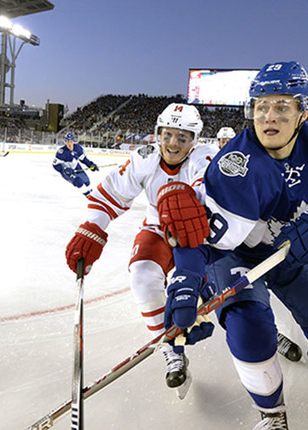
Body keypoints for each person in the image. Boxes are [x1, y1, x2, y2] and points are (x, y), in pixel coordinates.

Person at [158, 62, 308, 429]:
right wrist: (187, 280)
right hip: (237, 255)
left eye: (282, 107)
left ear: (303, 112)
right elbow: (204, 237)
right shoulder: (236, 165)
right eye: (261, 106)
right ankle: (272, 412)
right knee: (250, 331)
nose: (269, 117)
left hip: (291, 251)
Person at [64, 103, 217, 394]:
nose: (172, 144)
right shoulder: (144, 158)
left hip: (197, 236)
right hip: (158, 228)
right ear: (158, 134)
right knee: (142, 276)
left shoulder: (205, 157)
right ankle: (171, 350)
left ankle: (268, 332)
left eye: (182, 137)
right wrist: (94, 226)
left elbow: (207, 192)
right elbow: (112, 193)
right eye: (167, 135)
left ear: (194, 140)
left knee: (223, 295)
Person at [52, 132, 99, 197]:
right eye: (67, 141)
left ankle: (90, 192)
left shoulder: (78, 148)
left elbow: (83, 159)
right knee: (78, 181)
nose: (69, 143)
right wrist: (64, 169)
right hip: (67, 171)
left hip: (76, 167)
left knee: (87, 181)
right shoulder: (61, 152)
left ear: (73, 141)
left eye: (71, 141)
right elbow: (55, 165)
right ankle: (88, 195)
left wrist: (90, 165)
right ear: (65, 142)